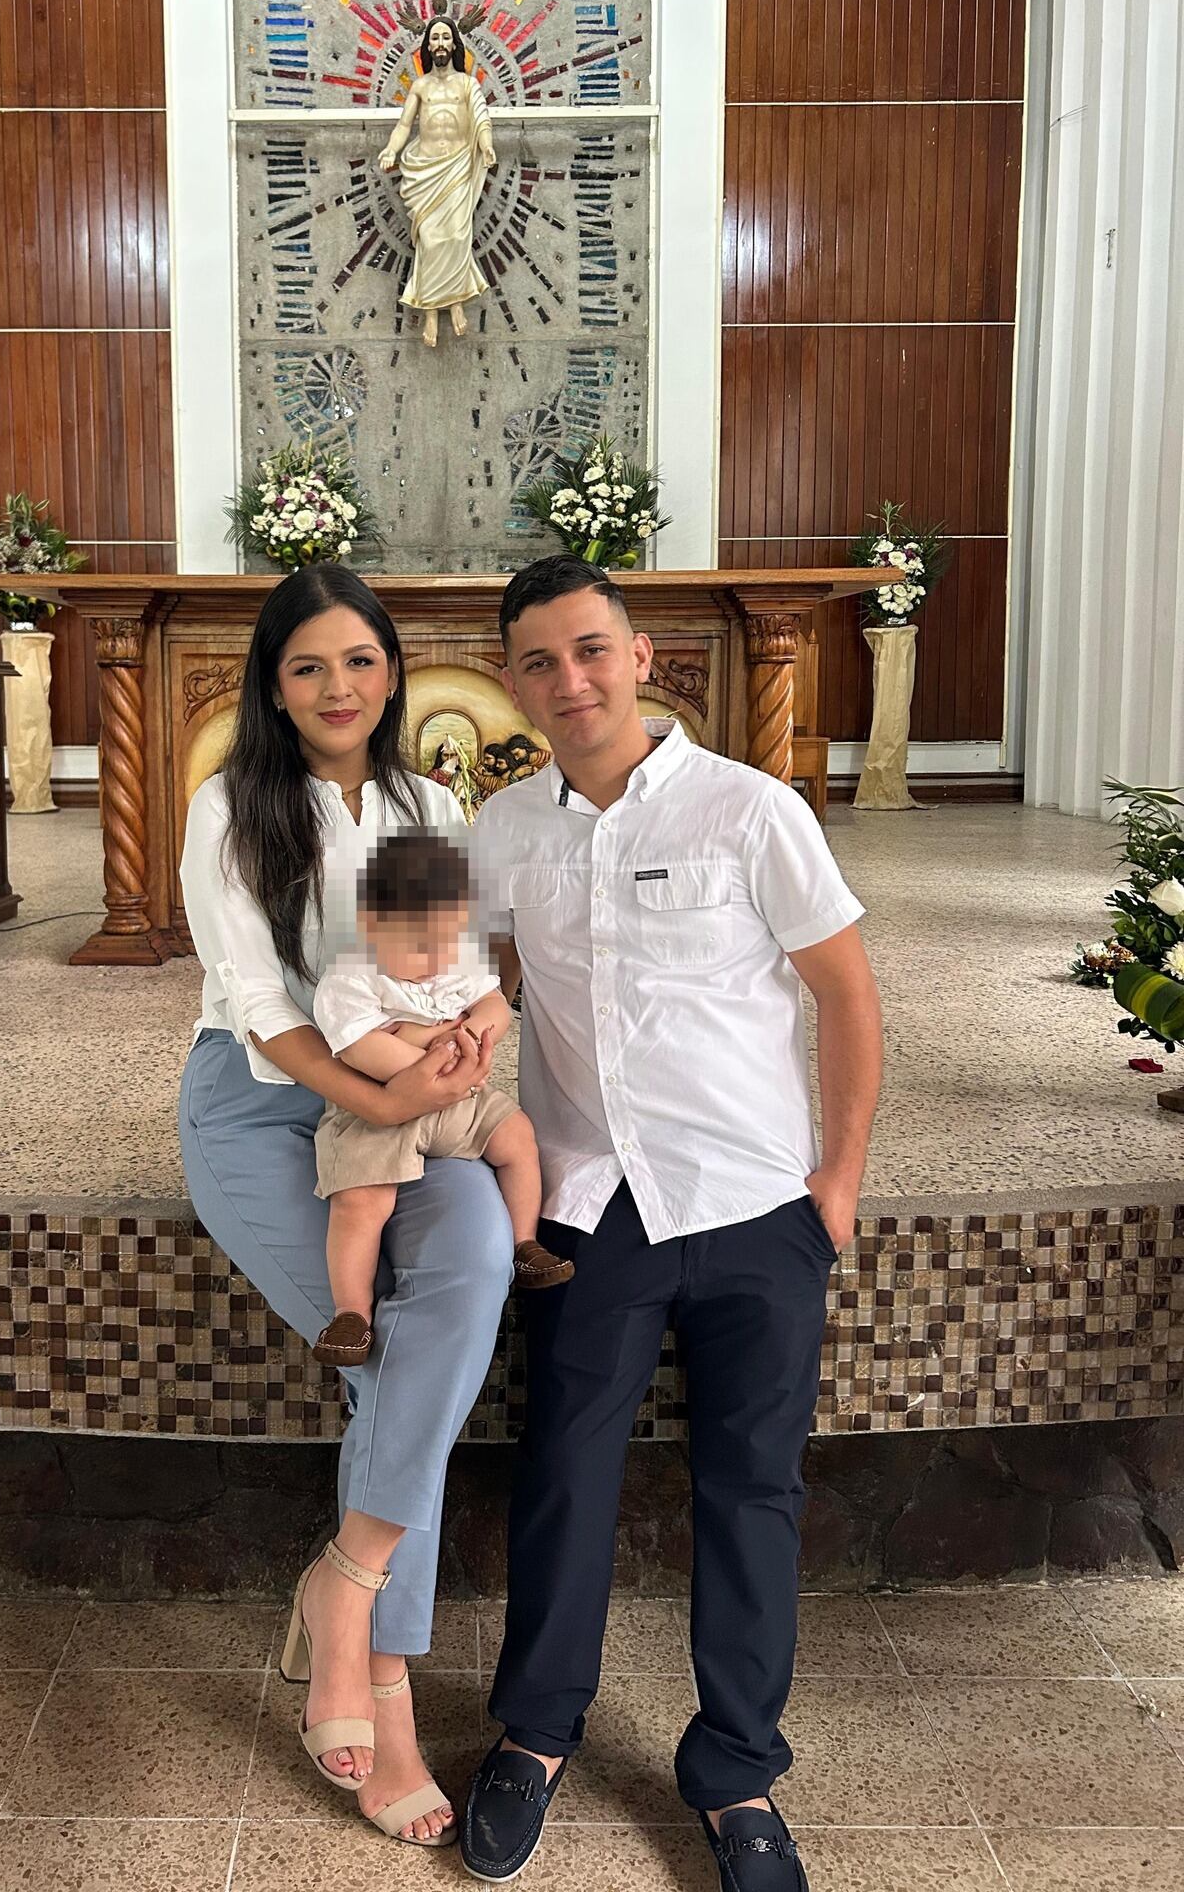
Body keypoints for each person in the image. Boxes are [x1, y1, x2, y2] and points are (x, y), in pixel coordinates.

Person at [459, 555, 883, 1890]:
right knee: (565, 1470)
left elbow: (848, 994)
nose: (569, 680)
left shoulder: (750, 810)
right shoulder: (502, 831)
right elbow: (470, 982)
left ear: (641, 657)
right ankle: (535, 1734)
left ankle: (738, 1769)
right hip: (592, 1207)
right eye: (538, 660)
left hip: (755, 1203)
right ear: (512, 681)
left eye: (591, 649)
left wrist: (837, 1181)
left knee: (753, 1487)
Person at [177, 563, 514, 1852]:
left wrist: (463, 1049)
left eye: (360, 660)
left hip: (410, 1098)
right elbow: (260, 1001)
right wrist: (376, 1100)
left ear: (392, 671)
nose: (338, 686)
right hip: (267, 1102)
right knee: (385, 1350)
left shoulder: (431, 800)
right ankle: (381, 1675)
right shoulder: (230, 806)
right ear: (274, 685)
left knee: (474, 1258)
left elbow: (463, 961)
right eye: (308, 665)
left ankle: (345, 1577)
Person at [309, 827, 573, 1368]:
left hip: (460, 1098)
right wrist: (436, 1054)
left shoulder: (457, 960)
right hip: (380, 1108)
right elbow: (361, 1048)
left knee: (517, 1136)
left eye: (448, 939)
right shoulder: (350, 980)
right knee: (362, 1199)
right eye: (419, 944)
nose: (436, 957)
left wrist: (464, 1034)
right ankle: (351, 1313)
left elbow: (494, 1005)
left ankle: (525, 1243)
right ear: (370, 925)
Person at [378, 14, 496, 347]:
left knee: (457, 236)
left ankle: (456, 301)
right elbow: (404, 125)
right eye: (435, 38)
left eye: (446, 38)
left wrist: (486, 146)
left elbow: (481, 118)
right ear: (428, 46)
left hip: (457, 166)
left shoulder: (467, 84)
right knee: (429, 240)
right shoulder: (420, 86)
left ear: (454, 44)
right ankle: (430, 311)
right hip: (425, 171)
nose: (440, 44)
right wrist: (391, 149)